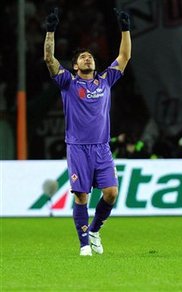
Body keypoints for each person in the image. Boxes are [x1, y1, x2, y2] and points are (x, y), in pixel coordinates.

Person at [43, 7, 131, 256]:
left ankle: (94, 230)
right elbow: (50, 60)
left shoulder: (105, 81)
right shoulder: (68, 82)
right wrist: (50, 31)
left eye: (90, 57)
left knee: (111, 194)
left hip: (102, 147)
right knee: (81, 196)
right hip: (78, 147)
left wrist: (125, 29)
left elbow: (124, 57)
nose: (87, 58)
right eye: (82, 57)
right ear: (75, 64)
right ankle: (84, 245)